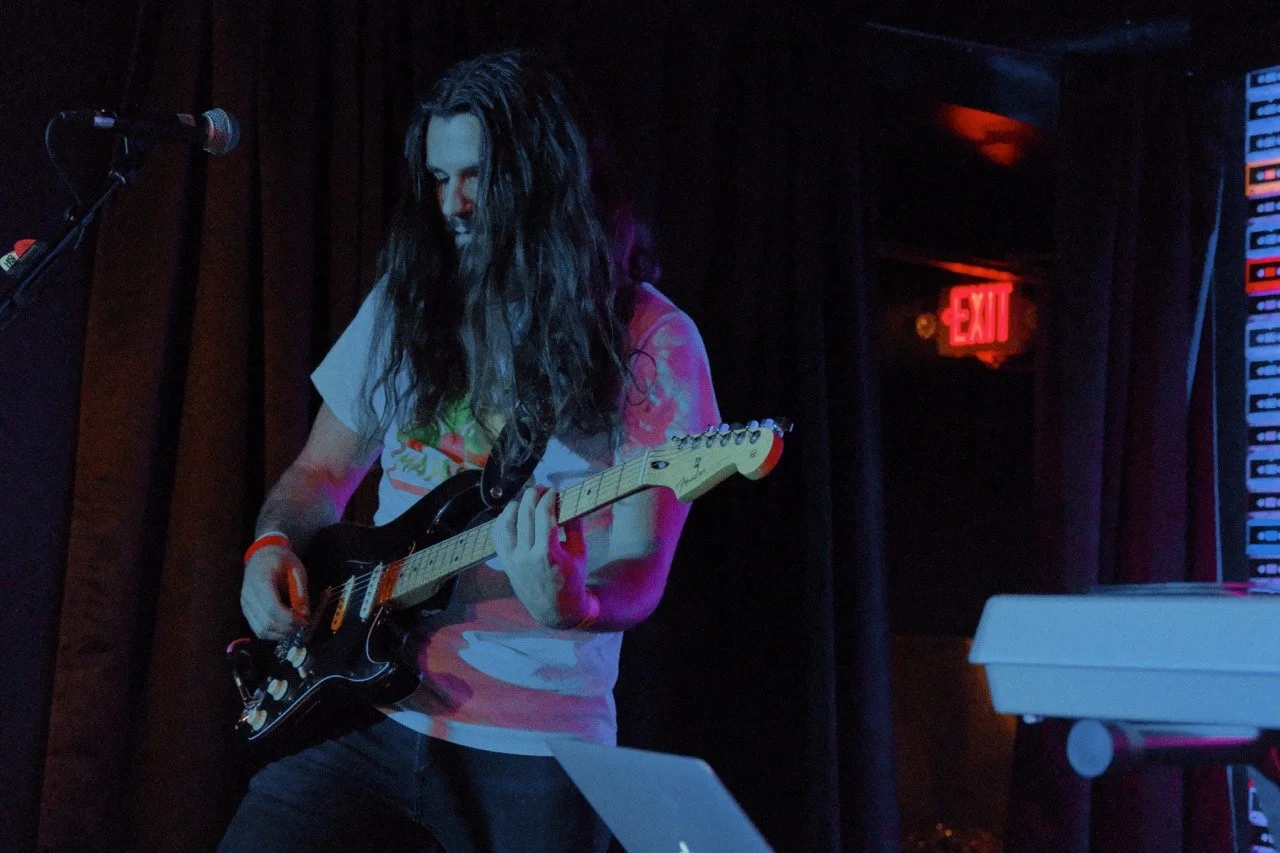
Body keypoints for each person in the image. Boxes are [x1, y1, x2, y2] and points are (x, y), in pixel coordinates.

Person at [220, 50, 719, 853]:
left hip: (537, 744)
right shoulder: (408, 298)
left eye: (476, 176)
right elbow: (319, 473)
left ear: (542, 177)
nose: (452, 203)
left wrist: (574, 603)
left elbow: (639, 570)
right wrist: (271, 544)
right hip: (364, 706)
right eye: (439, 178)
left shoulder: (651, 342)